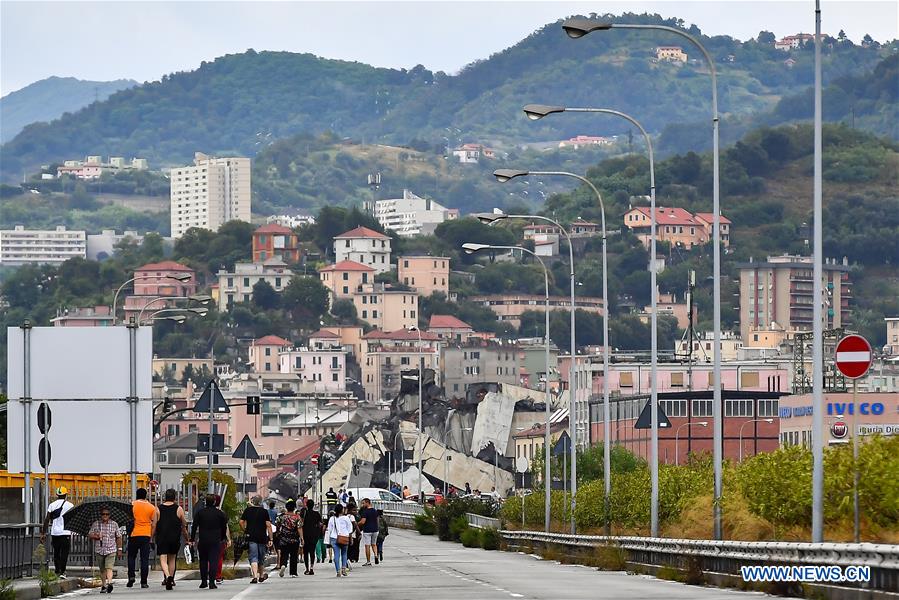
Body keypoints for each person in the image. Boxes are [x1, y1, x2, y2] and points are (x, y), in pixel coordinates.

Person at [190, 495, 228, 590]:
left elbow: (194, 526)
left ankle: (203, 581)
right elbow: (224, 527)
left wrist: (192, 539)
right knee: (213, 560)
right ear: (215, 502)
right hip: (215, 540)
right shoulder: (220, 514)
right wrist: (223, 537)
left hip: (203, 539)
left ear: (205, 502)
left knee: (203, 560)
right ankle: (211, 582)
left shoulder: (200, 513)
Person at [156, 489, 188, 591]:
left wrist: (152, 537)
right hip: (174, 537)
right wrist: (187, 538)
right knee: (172, 559)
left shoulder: (158, 509)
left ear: (165, 497)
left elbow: (154, 524)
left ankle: (167, 577)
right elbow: (184, 524)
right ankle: (171, 579)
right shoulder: (179, 509)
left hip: (162, 537)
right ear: (174, 497)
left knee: (163, 559)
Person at [40, 486, 74, 579]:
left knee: (56, 552)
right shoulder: (70, 505)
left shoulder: (52, 505)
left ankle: (57, 571)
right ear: (66, 495)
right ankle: (63, 572)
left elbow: (47, 519)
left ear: (57, 495)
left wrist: (43, 533)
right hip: (66, 532)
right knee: (64, 553)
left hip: (55, 532)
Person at [127, 487, 158, 589]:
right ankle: (144, 582)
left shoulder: (132, 505)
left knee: (131, 556)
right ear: (146, 496)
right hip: (146, 535)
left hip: (134, 534)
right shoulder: (152, 508)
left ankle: (131, 576)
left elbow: (128, 519)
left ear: (137, 495)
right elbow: (154, 524)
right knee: (144, 559)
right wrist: (151, 537)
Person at [88, 505, 121, 594]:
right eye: (103, 514)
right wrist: (97, 536)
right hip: (99, 550)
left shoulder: (114, 524)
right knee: (102, 569)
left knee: (109, 567)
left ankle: (109, 583)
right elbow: (90, 534)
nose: (105, 516)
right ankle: (103, 585)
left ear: (109, 515)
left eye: (107, 514)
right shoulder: (96, 524)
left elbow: (118, 537)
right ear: (101, 515)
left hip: (111, 549)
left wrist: (119, 549)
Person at [240, 496, 273, 584]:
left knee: (253, 556)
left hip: (251, 537)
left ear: (253, 502)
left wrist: (245, 530)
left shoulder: (247, 510)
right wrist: (271, 538)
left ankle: (255, 576)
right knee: (261, 557)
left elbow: (241, 522)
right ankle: (261, 576)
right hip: (262, 537)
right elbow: (268, 525)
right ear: (260, 502)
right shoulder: (264, 511)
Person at [275, 500, 301, 578]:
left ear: (286, 507)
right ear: (294, 508)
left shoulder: (281, 517)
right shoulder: (297, 517)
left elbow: (277, 526)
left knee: (284, 554)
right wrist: (302, 538)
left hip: (283, 539)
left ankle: (283, 565)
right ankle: (293, 572)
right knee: (294, 555)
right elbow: (299, 528)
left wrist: (278, 534)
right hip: (294, 539)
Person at [326, 505, 352, 577]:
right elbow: (350, 529)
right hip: (344, 537)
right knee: (344, 554)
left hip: (334, 538)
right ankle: (344, 569)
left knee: (336, 555)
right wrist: (349, 536)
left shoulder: (332, 518)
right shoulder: (346, 518)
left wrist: (328, 540)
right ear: (342, 510)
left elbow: (329, 529)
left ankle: (338, 571)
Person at [301, 499, 322, 575]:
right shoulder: (317, 514)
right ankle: (312, 568)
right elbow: (320, 524)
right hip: (314, 535)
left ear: (306, 505)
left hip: (305, 535)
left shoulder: (304, 513)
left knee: (306, 552)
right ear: (313, 506)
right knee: (312, 552)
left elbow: (300, 523)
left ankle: (307, 569)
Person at [357, 498, 379, 566]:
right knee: (374, 544)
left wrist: (357, 524)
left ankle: (368, 561)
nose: (362, 505)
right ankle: (376, 555)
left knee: (367, 546)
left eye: (363, 503)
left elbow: (363, 521)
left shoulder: (365, 512)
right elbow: (377, 520)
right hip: (375, 530)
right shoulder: (375, 511)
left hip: (367, 530)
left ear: (367, 503)